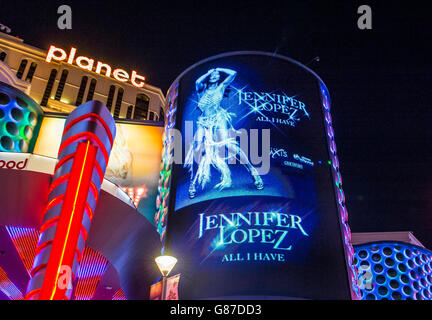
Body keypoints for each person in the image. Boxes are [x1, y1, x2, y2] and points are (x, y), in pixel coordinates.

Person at [185, 67, 263, 199]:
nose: (214, 75)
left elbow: (234, 73)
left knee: (229, 145)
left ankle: (253, 171)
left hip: (218, 119)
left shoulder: (221, 87)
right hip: (204, 122)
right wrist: (209, 71)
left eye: (217, 74)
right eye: (212, 74)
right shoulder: (201, 90)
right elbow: (198, 81)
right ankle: (192, 183)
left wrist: (219, 69)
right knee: (197, 150)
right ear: (209, 77)